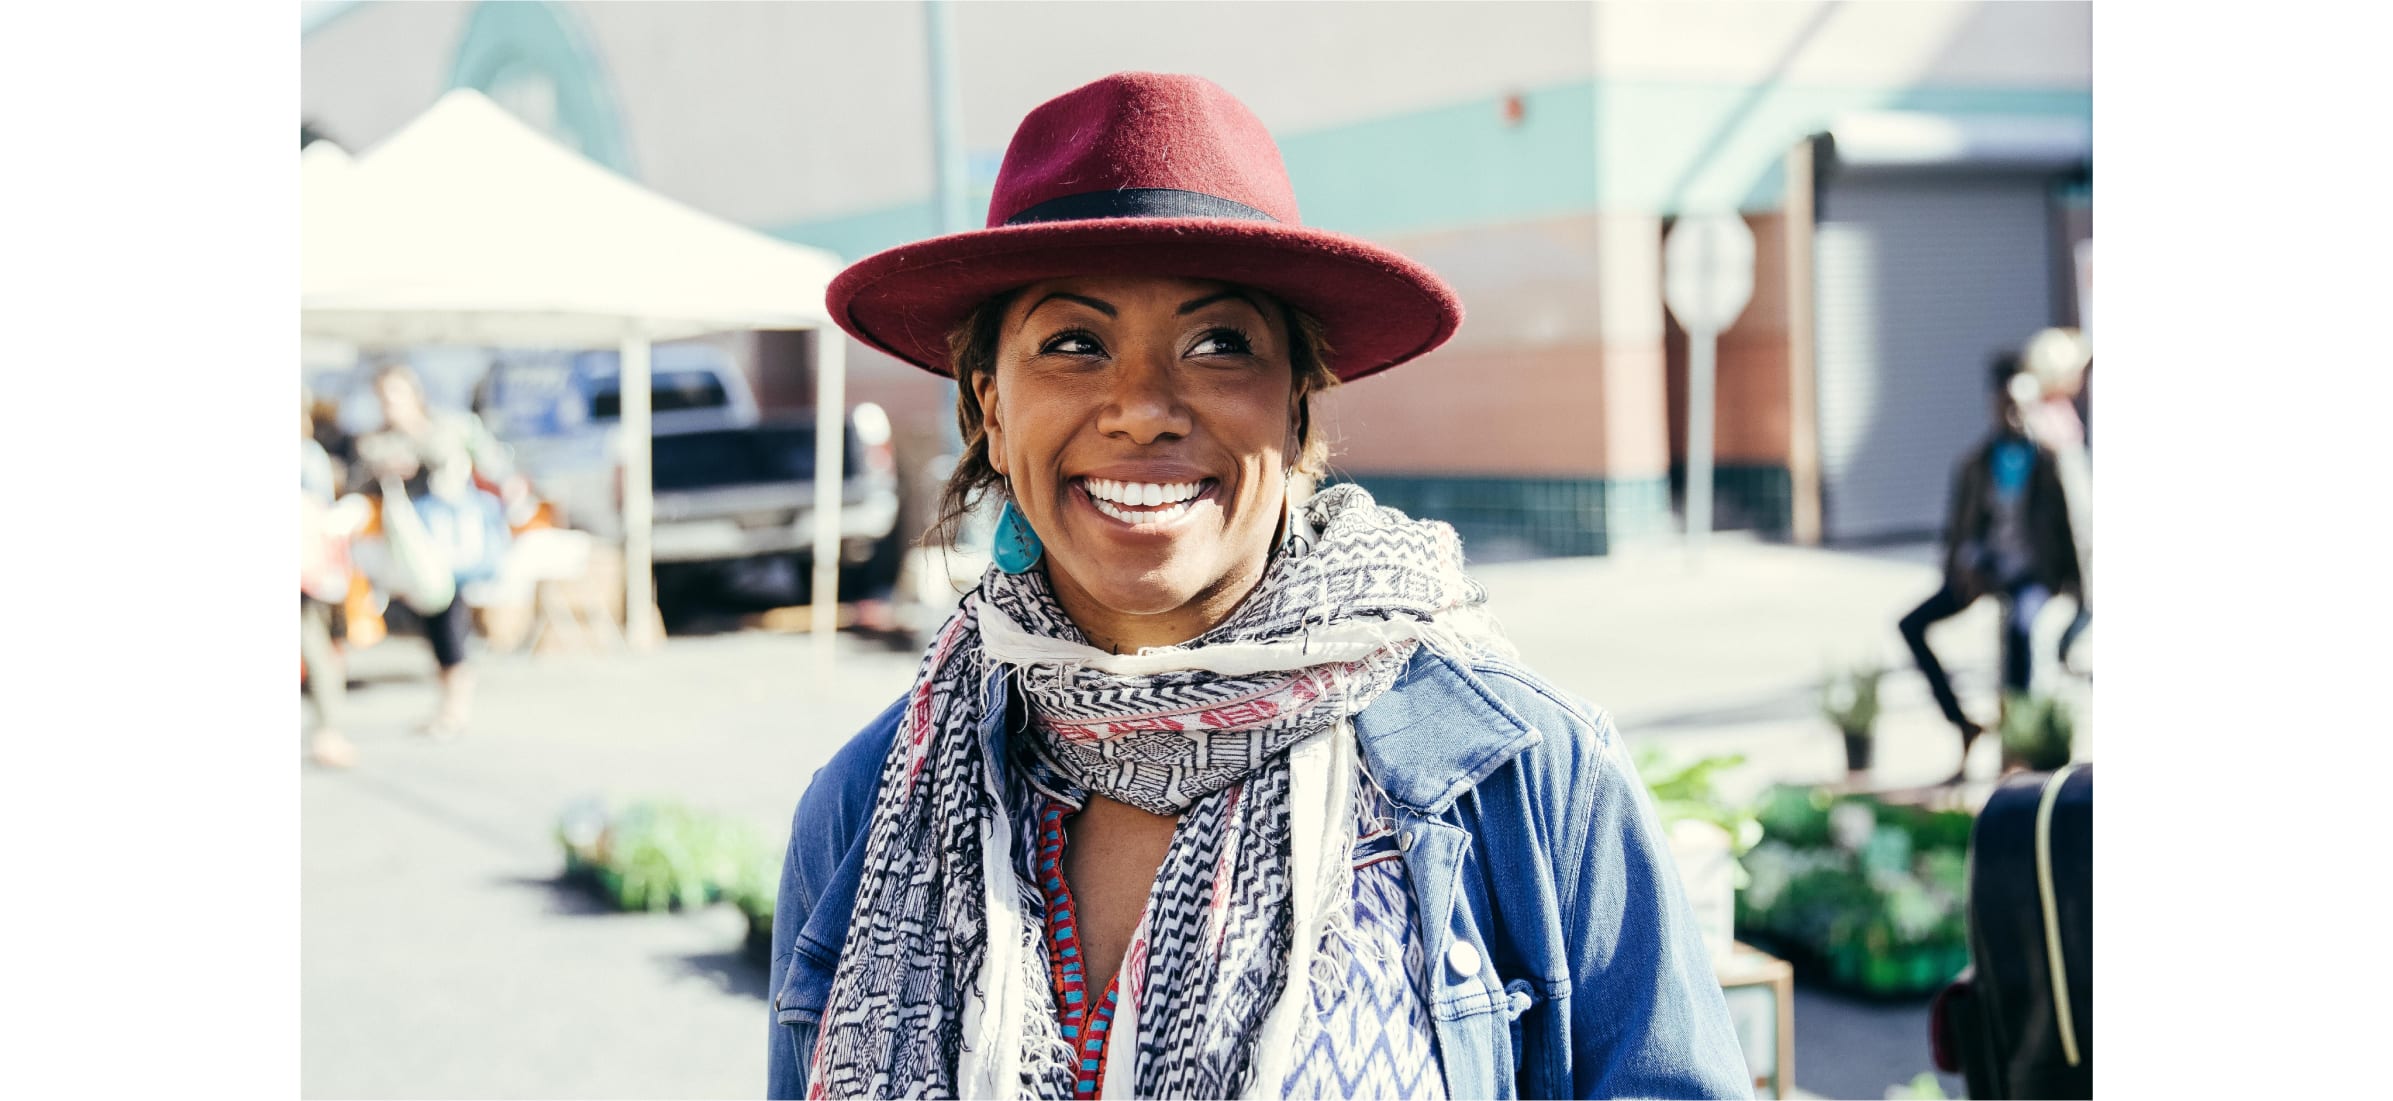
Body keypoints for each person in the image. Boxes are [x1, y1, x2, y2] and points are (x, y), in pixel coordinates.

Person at [767, 73, 1749, 1100]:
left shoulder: (1522, 779)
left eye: (1217, 344)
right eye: (1073, 344)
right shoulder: (867, 808)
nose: (1142, 407)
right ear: (990, 414)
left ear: (1295, 412)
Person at [1900, 354, 2084, 783]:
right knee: (1912, 626)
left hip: (2032, 576)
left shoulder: (2049, 463)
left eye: (2022, 406)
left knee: (2020, 631)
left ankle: (2016, 748)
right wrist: (1965, 568)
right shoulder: (1976, 465)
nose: (2014, 415)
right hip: (1987, 573)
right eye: (2006, 405)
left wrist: (2079, 595)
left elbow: (2073, 529)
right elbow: (1960, 531)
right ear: (1993, 405)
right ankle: (1963, 724)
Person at [353, 362, 516, 738]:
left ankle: (454, 707)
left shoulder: (444, 426)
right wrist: (382, 468)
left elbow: (465, 459)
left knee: (447, 616)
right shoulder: (377, 441)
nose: (389, 405)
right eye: (383, 397)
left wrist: (417, 446)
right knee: (432, 618)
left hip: (448, 540)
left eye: (395, 395)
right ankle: (449, 703)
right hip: (409, 545)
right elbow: (359, 478)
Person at [302, 393, 359, 768]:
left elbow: (318, 511)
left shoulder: (306, 455)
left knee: (313, 642)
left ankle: (329, 730)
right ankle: (328, 731)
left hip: (303, 566)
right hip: (305, 562)